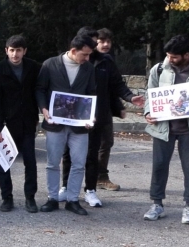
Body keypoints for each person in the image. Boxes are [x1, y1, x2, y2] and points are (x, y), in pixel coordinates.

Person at [59, 27, 144, 207]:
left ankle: (91, 190)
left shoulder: (105, 61)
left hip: (97, 115)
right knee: (68, 153)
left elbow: (116, 85)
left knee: (93, 153)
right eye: (95, 41)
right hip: (73, 115)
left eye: (98, 41)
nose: (98, 44)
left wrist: (129, 98)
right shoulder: (71, 60)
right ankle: (65, 187)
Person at [142, 35, 189, 224]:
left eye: (174, 57)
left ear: (186, 55)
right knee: (159, 166)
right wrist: (148, 111)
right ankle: (157, 204)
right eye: (168, 55)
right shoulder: (159, 69)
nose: (170, 59)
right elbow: (150, 93)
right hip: (163, 127)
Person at [36, 34, 98, 215]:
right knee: (52, 162)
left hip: (80, 126)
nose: (87, 59)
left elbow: (92, 93)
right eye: (84, 55)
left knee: (79, 163)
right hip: (55, 123)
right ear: (73, 51)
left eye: (89, 55)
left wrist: (90, 116)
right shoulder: (50, 64)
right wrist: (44, 108)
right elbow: (40, 89)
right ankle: (52, 198)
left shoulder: (88, 69)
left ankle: (72, 199)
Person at [0, 35, 42, 213]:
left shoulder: (34, 67)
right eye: (12, 50)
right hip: (6, 124)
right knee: (4, 163)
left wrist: (37, 116)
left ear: (24, 51)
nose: (15, 54)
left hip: (27, 122)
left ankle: (30, 198)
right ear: (6, 50)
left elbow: (39, 91)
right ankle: (7, 198)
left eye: (18, 50)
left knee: (30, 162)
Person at [94, 29, 121, 191]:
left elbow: (115, 85)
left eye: (108, 41)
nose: (105, 44)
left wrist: (125, 102)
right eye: (101, 41)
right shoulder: (84, 59)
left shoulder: (108, 60)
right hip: (85, 111)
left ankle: (101, 177)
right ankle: (68, 182)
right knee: (78, 146)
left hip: (104, 111)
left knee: (106, 143)